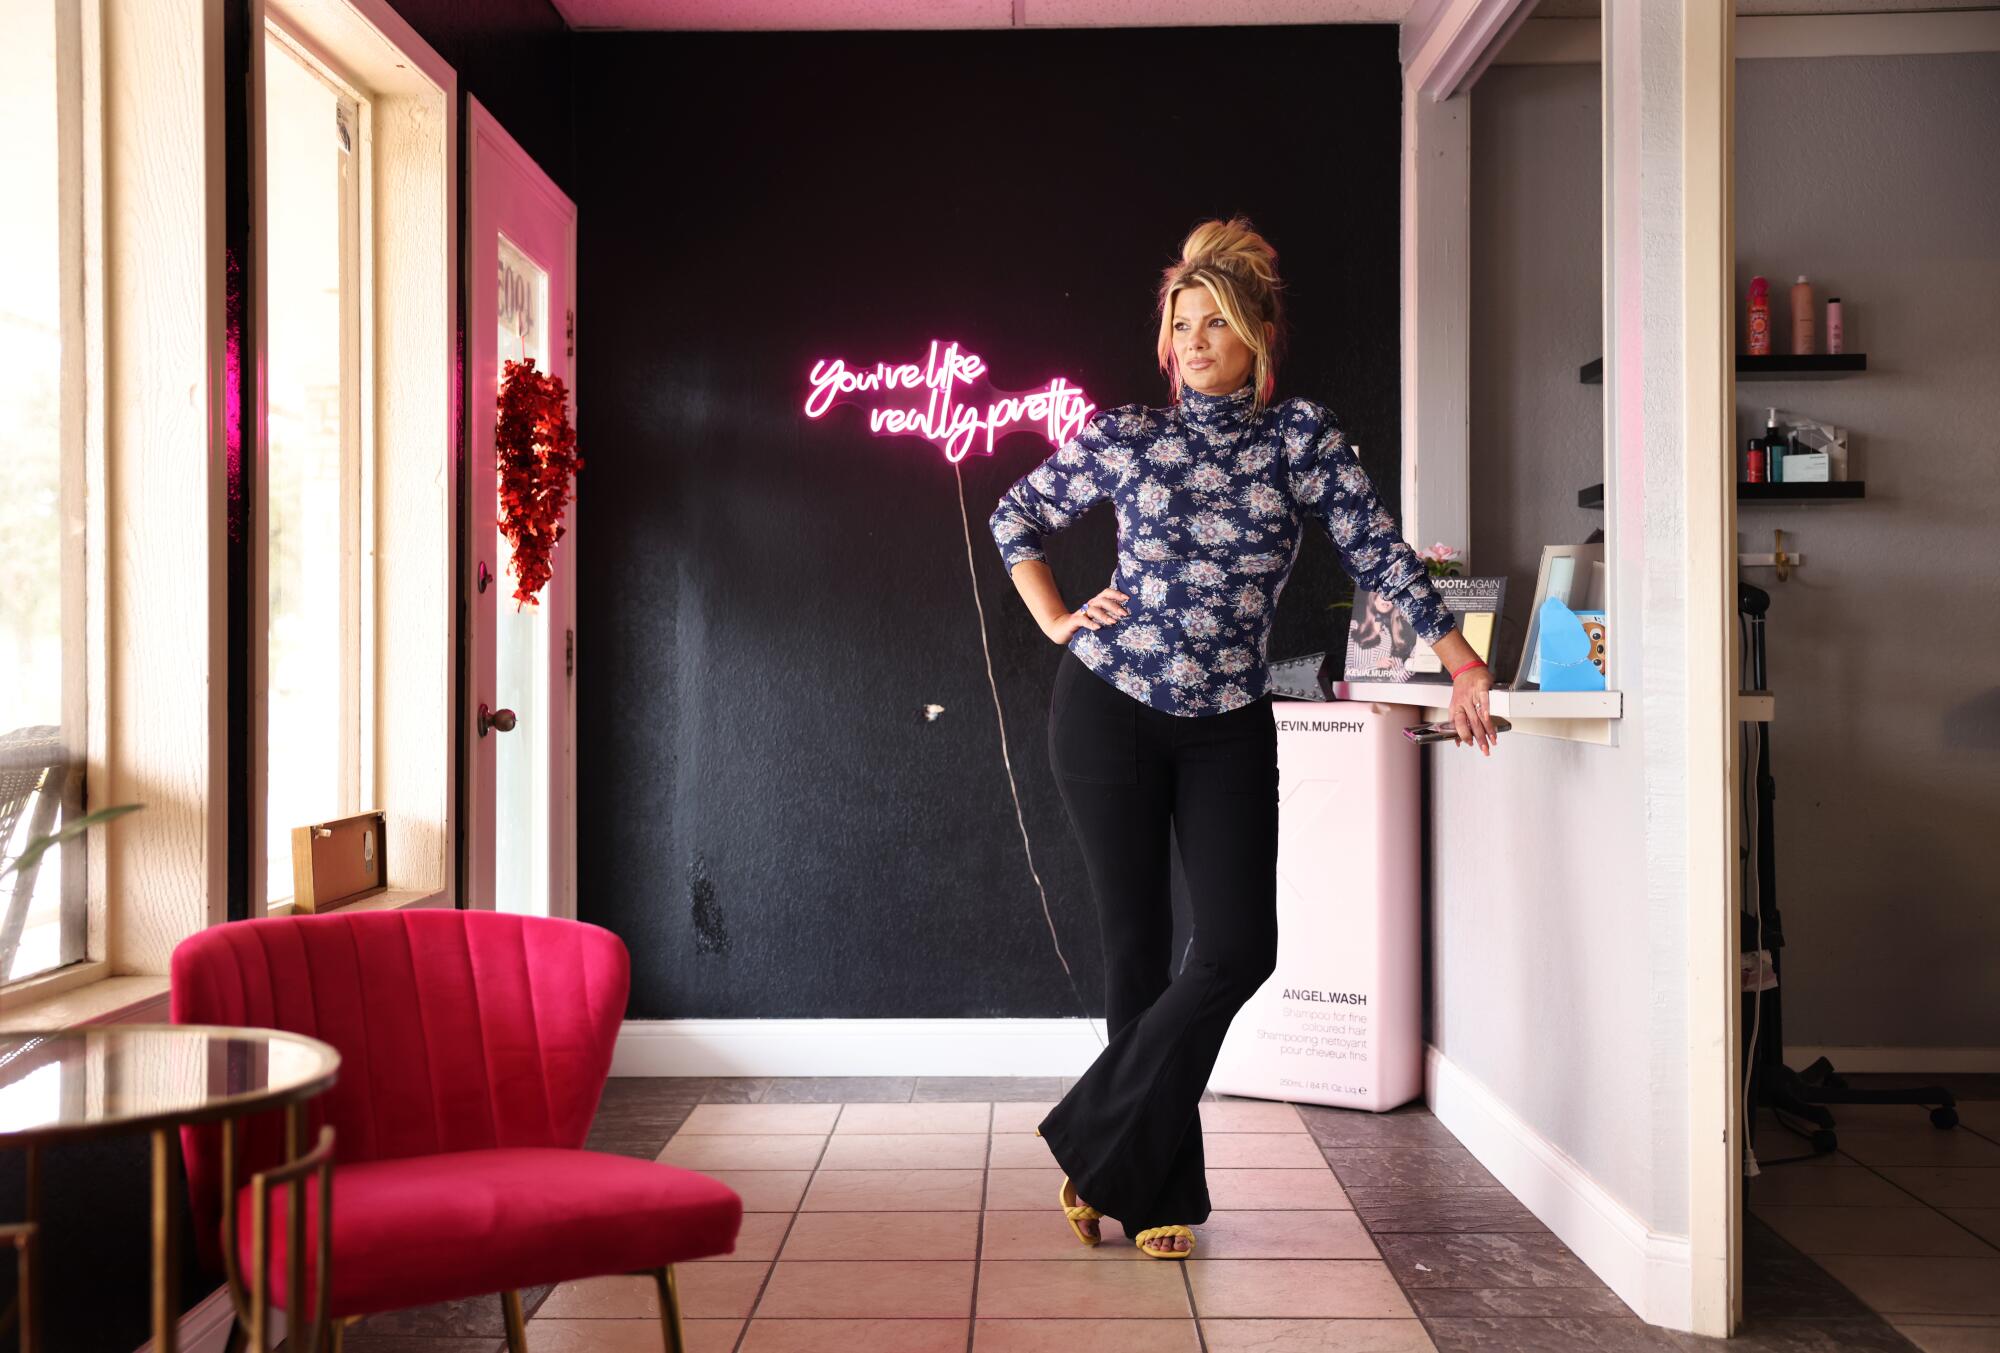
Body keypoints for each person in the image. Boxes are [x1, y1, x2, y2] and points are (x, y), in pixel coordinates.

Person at [985, 217, 1498, 1261]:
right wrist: (1051, 619)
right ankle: (1156, 1193)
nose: (1194, 339)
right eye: (1181, 323)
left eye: (1215, 320)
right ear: (1164, 343)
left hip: (1225, 724)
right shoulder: (1128, 435)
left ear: (1256, 336)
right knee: (1134, 953)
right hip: (1107, 711)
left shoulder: (1298, 438)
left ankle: (1090, 1142)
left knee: (1234, 948)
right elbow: (1014, 517)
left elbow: (1378, 554)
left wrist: (1459, 658)